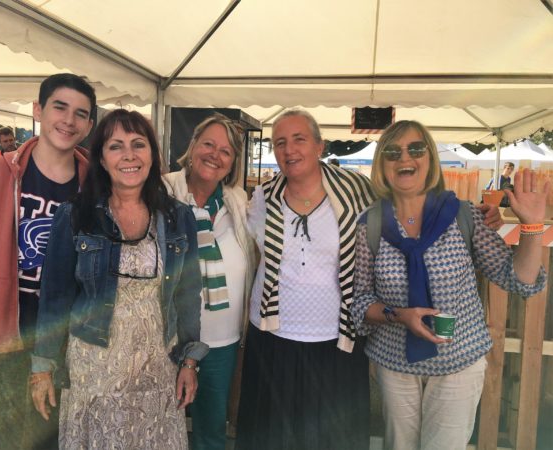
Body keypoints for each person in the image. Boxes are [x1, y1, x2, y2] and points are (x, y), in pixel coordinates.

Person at [350, 120, 548, 450]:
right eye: (392, 152)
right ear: (381, 165)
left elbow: (520, 280)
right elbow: (361, 302)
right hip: (395, 365)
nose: (404, 158)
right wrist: (400, 315)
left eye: (416, 149)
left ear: (430, 159)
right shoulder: (370, 224)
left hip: (459, 364)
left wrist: (532, 227)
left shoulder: (463, 215)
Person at [30, 109, 208, 450]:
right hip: (93, 370)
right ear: (101, 158)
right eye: (116, 146)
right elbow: (55, 297)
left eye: (138, 144)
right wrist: (42, 367)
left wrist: (189, 361)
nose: (129, 155)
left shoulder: (178, 217)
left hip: (157, 368)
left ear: (152, 155)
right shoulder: (75, 215)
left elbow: (187, 295)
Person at [0, 73, 96, 450]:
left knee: (49, 438)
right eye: (60, 107)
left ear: (89, 125)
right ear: (38, 110)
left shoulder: (94, 184)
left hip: (60, 339)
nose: (69, 120)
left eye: (80, 113)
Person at [235, 109, 376, 450]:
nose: (289, 149)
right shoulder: (262, 198)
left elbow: (404, 207)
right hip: (273, 337)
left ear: (319, 146)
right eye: (280, 142)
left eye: (299, 139)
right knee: (271, 436)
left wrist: (477, 215)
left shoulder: (358, 192)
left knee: (330, 438)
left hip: (334, 340)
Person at [164, 114, 256, 450]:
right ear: (192, 147)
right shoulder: (163, 192)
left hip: (222, 341)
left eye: (226, 151)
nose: (215, 155)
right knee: (160, 423)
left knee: (212, 431)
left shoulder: (238, 202)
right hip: (169, 340)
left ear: (233, 163)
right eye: (208, 144)